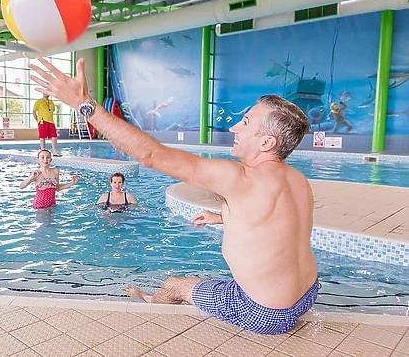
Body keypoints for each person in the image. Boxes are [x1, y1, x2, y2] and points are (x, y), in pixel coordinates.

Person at [29, 57, 318, 335]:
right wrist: (221, 217)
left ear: (267, 142)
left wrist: (84, 105)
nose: (233, 128)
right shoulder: (297, 179)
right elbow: (275, 225)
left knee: (173, 285)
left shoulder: (240, 178)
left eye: (245, 123)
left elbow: (152, 155)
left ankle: (152, 311)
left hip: (266, 313)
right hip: (306, 295)